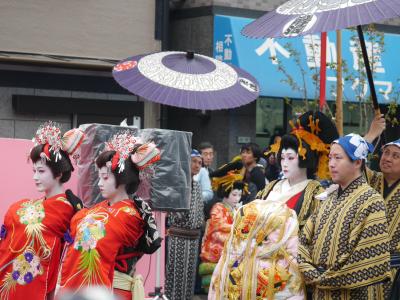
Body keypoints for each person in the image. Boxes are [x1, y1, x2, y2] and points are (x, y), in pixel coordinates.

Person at [58, 131, 161, 299]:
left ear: (123, 179)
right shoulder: (97, 209)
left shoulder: (129, 215)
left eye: (105, 178)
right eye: (99, 177)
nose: (99, 183)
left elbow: (96, 243)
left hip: (113, 291)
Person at [298, 133, 391, 299]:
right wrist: (310, 271)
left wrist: (320, 278)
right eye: (330, 157)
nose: (331, 164)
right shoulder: (328, 199)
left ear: (357, 162)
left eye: (338, 158)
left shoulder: (371, 201)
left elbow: (364, 257)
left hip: (354, 292)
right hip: (320, 290)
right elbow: (303, 240)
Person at [0, 121, 84, 300]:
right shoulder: (36, 206)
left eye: (41, 171)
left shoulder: (64, 208)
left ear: (59, 173)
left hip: (50, 289)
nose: (35, 177)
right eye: (33, 171)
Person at [364, 115, 400, 299]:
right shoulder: (370, 179)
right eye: (386, 153)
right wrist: (371, 135)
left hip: (395, 274)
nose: (388, 158)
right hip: (364, 270)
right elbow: (350, 162)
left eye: (396, 156)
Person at [165, 149, 205, 300]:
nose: (197, 165)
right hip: (178, 237)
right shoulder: (178, 184)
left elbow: (199, 210)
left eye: (199, 163)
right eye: (194, 161)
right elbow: (174, 212)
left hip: (194, 238)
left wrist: (200, 224)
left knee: (189, 276)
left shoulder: (197, 185)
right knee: (176, 276)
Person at [199, 178, 246, 292]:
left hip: (231, 252)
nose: (237, 198)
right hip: (216, 252)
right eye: (234, 194)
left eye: (239, 195)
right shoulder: (218, 208)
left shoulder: (236, 210)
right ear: (225, 192)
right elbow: (217, 232)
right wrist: (236, 232)